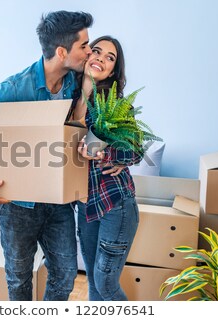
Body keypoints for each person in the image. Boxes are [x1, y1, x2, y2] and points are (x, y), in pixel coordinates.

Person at [0, 11, 93, 301]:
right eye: (83, 45)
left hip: (57, 199)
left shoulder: (74, 82)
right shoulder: (14, 89)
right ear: (61, 52)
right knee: (19, 278)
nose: (88, 51)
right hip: (17, 204)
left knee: (66, 273)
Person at [74, 35, 143, 300]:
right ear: (86, 56)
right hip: (85, 205)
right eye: (97, 51)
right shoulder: (68, 101)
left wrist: (109, 154)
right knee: (93, 281)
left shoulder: (115, 104)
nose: (101, 58)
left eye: (110, 57)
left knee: (105, 282)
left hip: (116, 203)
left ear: (113, 70)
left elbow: (136, 150)